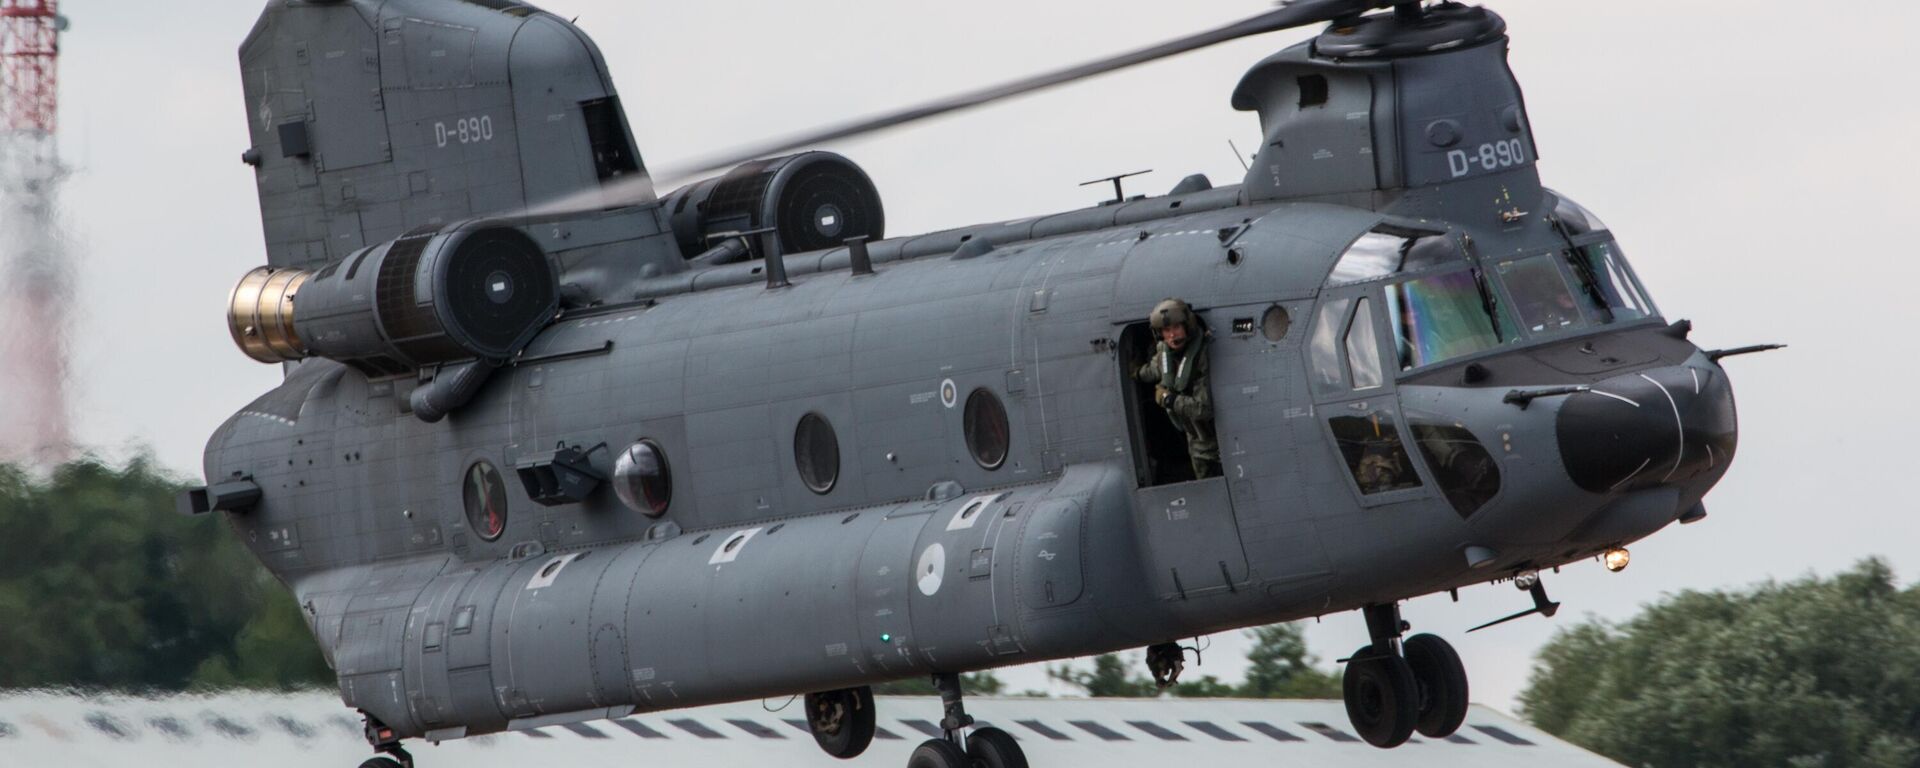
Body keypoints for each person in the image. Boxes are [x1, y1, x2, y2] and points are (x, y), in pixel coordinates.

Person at [1135, 298, 1220, 480]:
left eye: (1176, 328)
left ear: (1187, 327)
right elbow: (1153, 370)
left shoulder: (1201, 357)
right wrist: (1136, 372)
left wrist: (1168, 400)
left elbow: (1202, 408)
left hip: (1212, 440)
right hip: (1194, 440)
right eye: (1167, 330)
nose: (1172, 335)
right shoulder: (1165, 354)